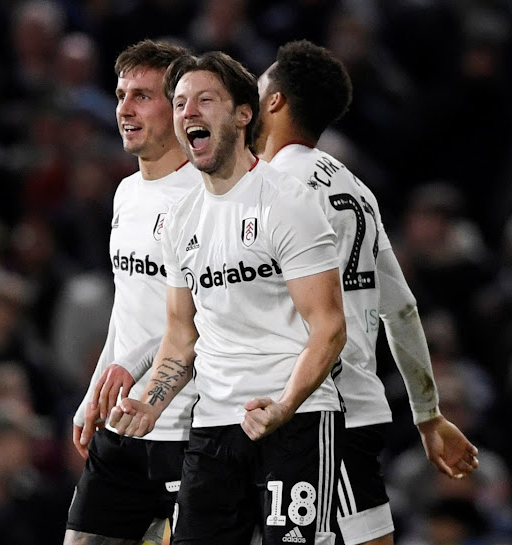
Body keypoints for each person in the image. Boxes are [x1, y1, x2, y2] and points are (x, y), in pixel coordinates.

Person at [109, 50, 347, 545]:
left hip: (295, 419)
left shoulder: (288, 203)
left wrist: (283, 405)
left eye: (204, 100)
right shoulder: (180, 219)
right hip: (214, 425)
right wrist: (151, 404)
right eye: (178, 103)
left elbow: (329, 327)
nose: (187, 112)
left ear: (243, 114)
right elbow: (179, 336)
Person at [252, 40, 479, 545]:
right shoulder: (356, 188)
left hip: (309, 408)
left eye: (260, 85)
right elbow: (400, 308)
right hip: (355, 404)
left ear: (276, 101)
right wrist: (428, 415)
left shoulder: (269, 189)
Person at [63, 39, 201, 545]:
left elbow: (199, 321)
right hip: (123, 425)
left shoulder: (207, 198)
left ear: (180, 107)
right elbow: (128, 309)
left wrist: (135, 370)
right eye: (121, 94)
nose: (124, 108)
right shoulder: (126, 193)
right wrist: (93, 394)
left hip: (188, 427)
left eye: (142, 95)